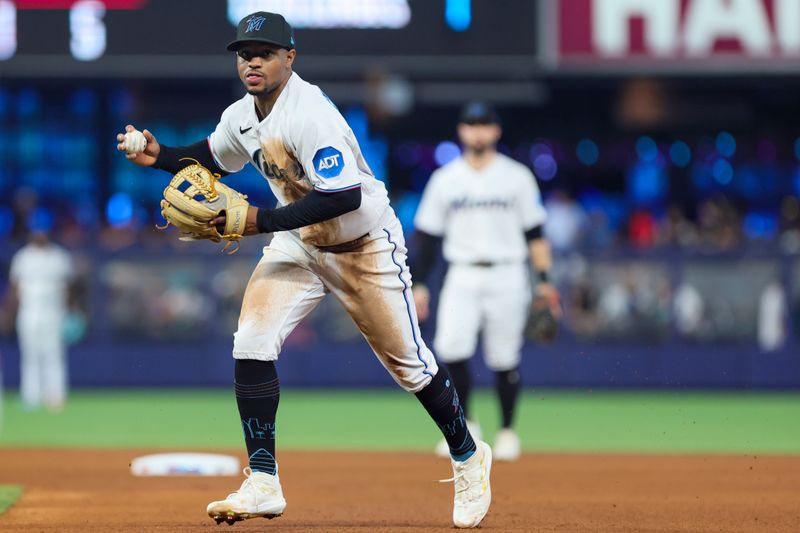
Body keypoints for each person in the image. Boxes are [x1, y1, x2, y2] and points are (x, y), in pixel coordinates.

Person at [115, 12, 491, 529]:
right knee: (251, 340)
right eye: (245, 52)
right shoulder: (242, 116)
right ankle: (263, 480)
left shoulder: (309, 112)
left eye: (265, 52)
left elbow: (342, 194)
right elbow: (210, 157)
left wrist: (261, 220)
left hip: (363, 245)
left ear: (289, 58)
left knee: (412, 366)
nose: (252, 60)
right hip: (298, 244)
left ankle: (469, 457)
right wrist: (161, 156)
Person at [411, 102, 559, 462]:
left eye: (484, 125)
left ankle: (508, 432)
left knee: (504, 356)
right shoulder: (445, 179)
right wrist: (418, 284)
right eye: (470, 125)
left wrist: (544, 281)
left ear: (496, 131)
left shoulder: (517, 176)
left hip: (508, 272)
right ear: (461, 131)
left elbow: (535, 234)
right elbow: (427, 238)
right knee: (451, 349)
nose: (477, 131)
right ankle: (469, 425)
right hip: (461, 272)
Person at [8, 210, 74, 411]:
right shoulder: (23, 257)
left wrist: (69, 311)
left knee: (53, 354)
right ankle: (31, 397)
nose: (39, 235)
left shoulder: (59, 257)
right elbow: (15, 288)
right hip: (29, 313)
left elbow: (68, 288)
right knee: (30, 355)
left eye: (42, 231)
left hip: (53, 313)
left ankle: (56, 396)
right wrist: (9, 312)